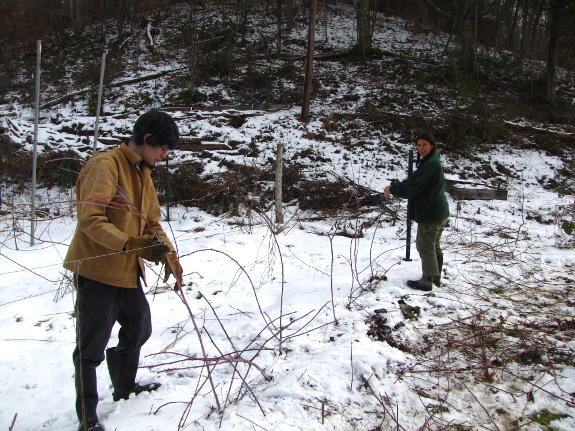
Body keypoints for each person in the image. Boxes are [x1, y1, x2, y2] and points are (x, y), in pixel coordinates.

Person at [64, 110, 184, 431]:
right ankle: (87, 419)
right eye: (162, 147)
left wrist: (171, 256)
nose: (165, 154)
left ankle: (124, 387)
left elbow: (152, 222)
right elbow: (90, 220)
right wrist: (133, 245)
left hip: (128, 271)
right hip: (97, 270)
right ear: (146, 140)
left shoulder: (143, 173)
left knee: (139, 328)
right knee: (90, 348)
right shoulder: (105, 166)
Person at [383, 131, 449, 291]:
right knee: (434, 245)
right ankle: (436, 277)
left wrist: (393, 189)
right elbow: (416, 181)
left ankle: (427, 280)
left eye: (424, 145)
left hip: (431, 213)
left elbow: (414, 186)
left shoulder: (431, 163)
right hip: (438, 211)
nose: (421, 148)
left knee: (425, 246)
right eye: (419, 145)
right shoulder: (431, 162)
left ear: (432, 145)